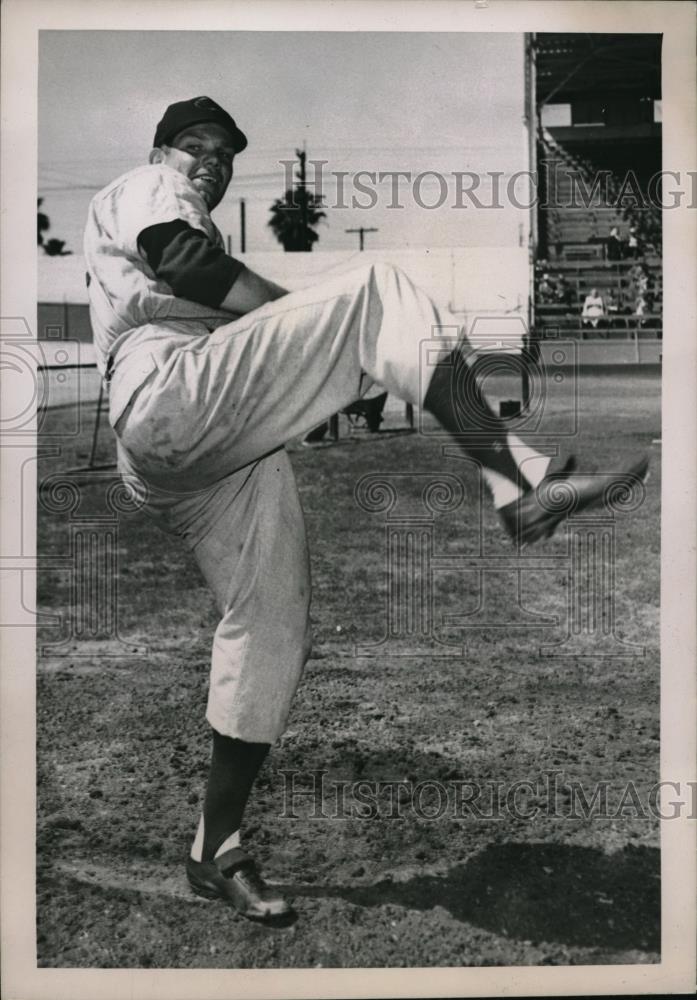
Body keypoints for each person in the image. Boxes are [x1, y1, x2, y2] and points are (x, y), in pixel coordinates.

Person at [84, 96, 648, 923]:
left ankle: (215, 847)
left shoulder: (176, 202)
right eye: (193, 145)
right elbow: (186, 264)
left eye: (225, 152)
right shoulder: (141, 187)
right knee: (378, 291)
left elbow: (215, 297)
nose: (210, 160)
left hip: (203, 445)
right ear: (159, 151)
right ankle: (517, 483)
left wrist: (311, 351)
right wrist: (307, 325)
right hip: (165, 389)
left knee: (271, 621)